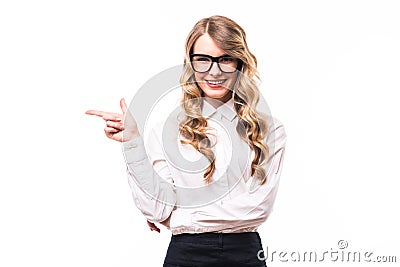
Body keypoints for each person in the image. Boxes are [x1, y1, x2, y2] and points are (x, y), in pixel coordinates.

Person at [86, 15, 286, 267]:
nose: (214, 71)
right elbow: (157, 210)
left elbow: (257, 209)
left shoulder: (269, 130)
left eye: (225, 59)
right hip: (186, 256)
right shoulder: (165, 132)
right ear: (190, 64)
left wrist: (182, 216)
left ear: (239, 63)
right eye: (203, 59)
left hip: (244, 255)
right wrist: (133, 142)